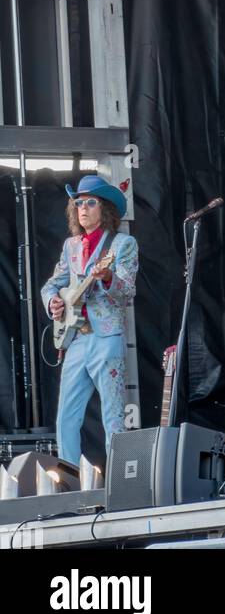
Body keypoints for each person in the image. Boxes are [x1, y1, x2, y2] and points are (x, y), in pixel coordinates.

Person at [41, 174, 138, 466]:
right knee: (66, 419)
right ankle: (69, 485)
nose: (83, 208)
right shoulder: (71, 246)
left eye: (90, 202)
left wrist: (108, 278)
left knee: (113, 418)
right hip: (76, 341)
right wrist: (54, 302)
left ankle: (121, 484)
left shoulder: (123, 244)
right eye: (78, 203)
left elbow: (128, 290)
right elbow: (50, 285)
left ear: (105, 208)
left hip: (106, 338)